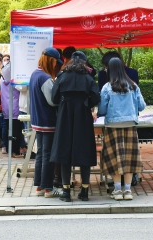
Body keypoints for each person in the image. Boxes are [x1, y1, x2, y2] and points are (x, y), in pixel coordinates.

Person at [51, 51, 100, 202]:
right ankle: (84, 191)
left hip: (65, 115)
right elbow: (96, 97)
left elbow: (54, 98)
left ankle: (66, 192)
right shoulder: (88, 78)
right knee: (84, 150)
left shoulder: (62, 76)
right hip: (83, 115)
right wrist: (87, 104)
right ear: (84, 63)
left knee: (64, 150)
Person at [97, 58, 145, 201]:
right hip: (130, 125)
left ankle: (117, 191)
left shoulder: (107, 87)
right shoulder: (133, 85)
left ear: (110, 69)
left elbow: (102, 109)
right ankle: (128, 190)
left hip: (112, 126)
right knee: (129, 158)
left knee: (115, 157)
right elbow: (142, 106)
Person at [29, 48, 62, 198]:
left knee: (41, 154)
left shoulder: (35, 74)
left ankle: (39, 187)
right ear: (51, 60)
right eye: (55, 61)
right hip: (48, 121)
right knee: (48, 155)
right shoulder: (46, 78)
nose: (56, 65)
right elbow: (52, 101)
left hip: (38, 121)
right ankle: (48, 188)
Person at [0, 59, 23, 157]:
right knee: (16, 131)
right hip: (16, 107)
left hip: (6, 108)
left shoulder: (2, 79)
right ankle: (15, 151)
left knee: (9, 130)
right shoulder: (15, 81)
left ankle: (9, 149)